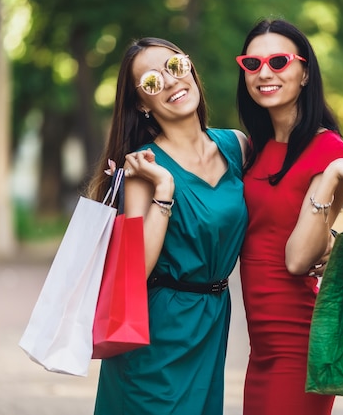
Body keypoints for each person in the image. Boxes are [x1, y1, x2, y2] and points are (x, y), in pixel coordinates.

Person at [86, 37, 248, 415]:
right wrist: (164, 188)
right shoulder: (144, 166)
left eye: (174, 67)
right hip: (158, 330)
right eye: (152, 82)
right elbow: (136, 269)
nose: (172, 82)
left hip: (210, 319)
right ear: (142, 103)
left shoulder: (237, 147)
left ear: (189, 67)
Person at [236, 19, 343, 415]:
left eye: (279, 61)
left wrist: (334, 173)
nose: (264, 72)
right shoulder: (253, 147)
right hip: (262, 348)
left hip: (296, 344)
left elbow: (298, 260)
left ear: (305, 73)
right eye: (252, 64)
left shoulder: (330, 149)